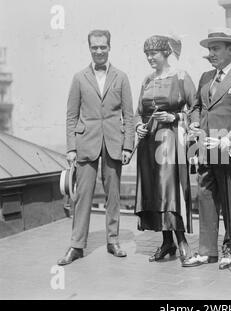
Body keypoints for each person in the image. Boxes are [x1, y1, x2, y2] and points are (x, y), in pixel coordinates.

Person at [182, 28, 231, 270]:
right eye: (209, 49)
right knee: (205, 199)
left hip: (230, 149)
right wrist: (194, 122)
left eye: (215, 48)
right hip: (206, 148)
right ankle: (207, 251)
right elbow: (195, 106)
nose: (211, 53)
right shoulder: (206, 77)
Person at [58, 29, 135, 265]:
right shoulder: (79, 77)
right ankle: (76, 245)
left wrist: (127, 146)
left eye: (103, 46)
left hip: (113, 142)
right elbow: (71, 115)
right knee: (82, 195)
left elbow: (129, 116)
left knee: (113, 195)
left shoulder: (121, 77)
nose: (99, 51)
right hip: (85, 142)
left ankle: (113, 241)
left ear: (109, 47)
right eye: (94, 47)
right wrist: (71, 147)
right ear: (89, 48)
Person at [135, 35, 196, 263]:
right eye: (147, 54)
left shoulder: (181, 77)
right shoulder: (146, 80)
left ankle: (181, 242)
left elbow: (197, 107)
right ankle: (166, 242)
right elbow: (138, 112)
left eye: (154, 53)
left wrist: (175, 116)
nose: (150, 58)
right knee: (155, 191)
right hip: (149, 144)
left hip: (170, 141)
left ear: (166, 53)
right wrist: (140, 127)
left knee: (169, 191)